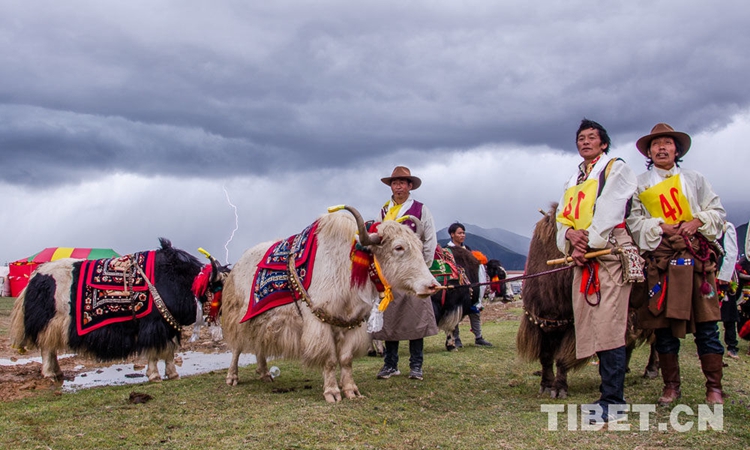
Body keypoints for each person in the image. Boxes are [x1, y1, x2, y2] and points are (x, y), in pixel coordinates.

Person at [627, 123, 727, 405]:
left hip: (695, 262)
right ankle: (671, 386)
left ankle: (714, 387)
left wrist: (697, 222)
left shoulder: (695, 180)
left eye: (667, 143)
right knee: (663, 326)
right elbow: (634, 221)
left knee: (707, 325)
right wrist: (660, 226)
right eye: (656, 144)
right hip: (662, 262)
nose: (662, 148)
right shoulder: (639, 184)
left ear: (677, 150)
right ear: (648, 152)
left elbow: (717, 211)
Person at [555, 119, 637, 423]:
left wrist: (585, 241)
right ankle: (607, 394)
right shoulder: (574, 178)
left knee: (609, 323)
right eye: (581, 138)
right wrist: (568, 235)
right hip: (584, 255)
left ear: (603, 144)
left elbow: (610, 208)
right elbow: (563, 215)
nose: (585, 142)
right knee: (591, 321)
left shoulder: (616, 168)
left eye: (592, 137)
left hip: (608, 251)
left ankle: (614, 401)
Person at [372, 166, 438, 381]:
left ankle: (416, 365)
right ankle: (390, 364)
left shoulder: (420, 209)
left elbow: (430, 240)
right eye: (394, 182)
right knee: (390, 321)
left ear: (410, 186)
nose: (398, 186)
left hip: (414, 274)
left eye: (402, 182)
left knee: (415, 320)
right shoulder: (384, 211)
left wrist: (422, 267)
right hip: (391, 275)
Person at [445, 222, 492, 347]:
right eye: (459, 233)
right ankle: (455, 338)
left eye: (463, 233)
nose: (463, 235)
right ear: (452, 234)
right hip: (455, 287)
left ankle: (478, 337)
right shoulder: (446, 251)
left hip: (471, 285)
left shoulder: (468, 250)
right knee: (455, 313)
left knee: (474, 311)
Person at [717, 222, 740, 360]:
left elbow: (731, 252)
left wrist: (724, 275)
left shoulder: (726, 227)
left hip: (724, 276)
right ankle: (708, 345)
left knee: (729, 313)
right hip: (708, 273)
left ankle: (732, 346)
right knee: (707, 312)